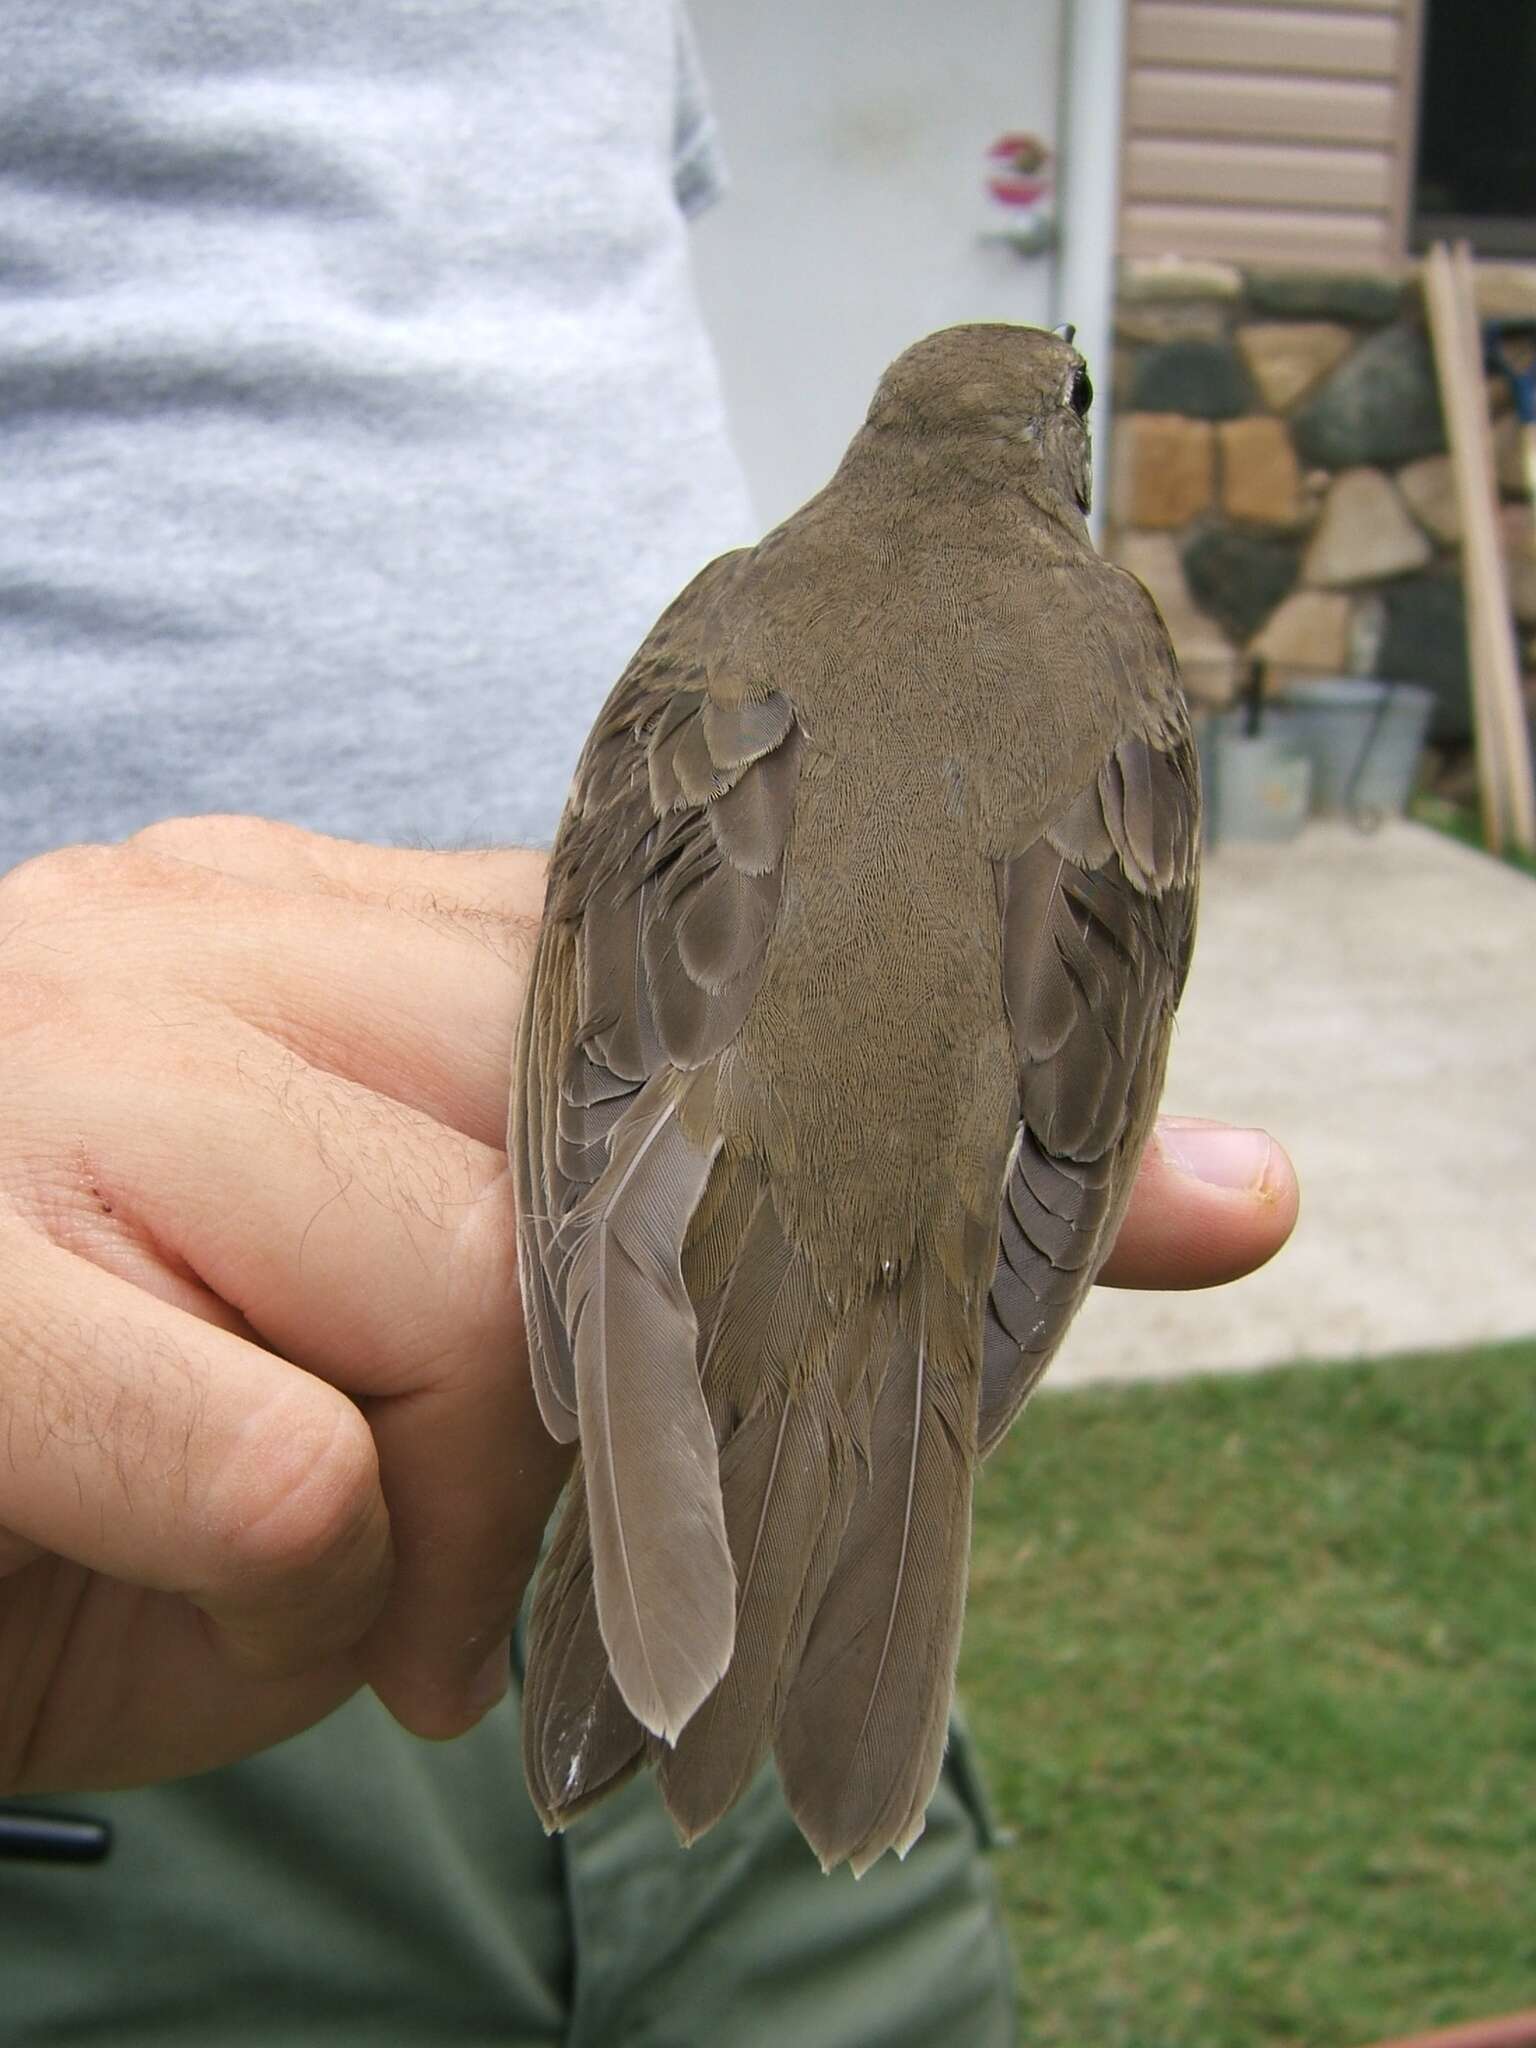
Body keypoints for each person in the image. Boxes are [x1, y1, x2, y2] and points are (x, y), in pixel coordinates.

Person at [0, 6, 1299, 2042]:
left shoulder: (742, 597)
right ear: (1052, 449)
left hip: (663, 1377)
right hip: (134, 1499)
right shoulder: (1115, 654)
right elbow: (1091, 1034)